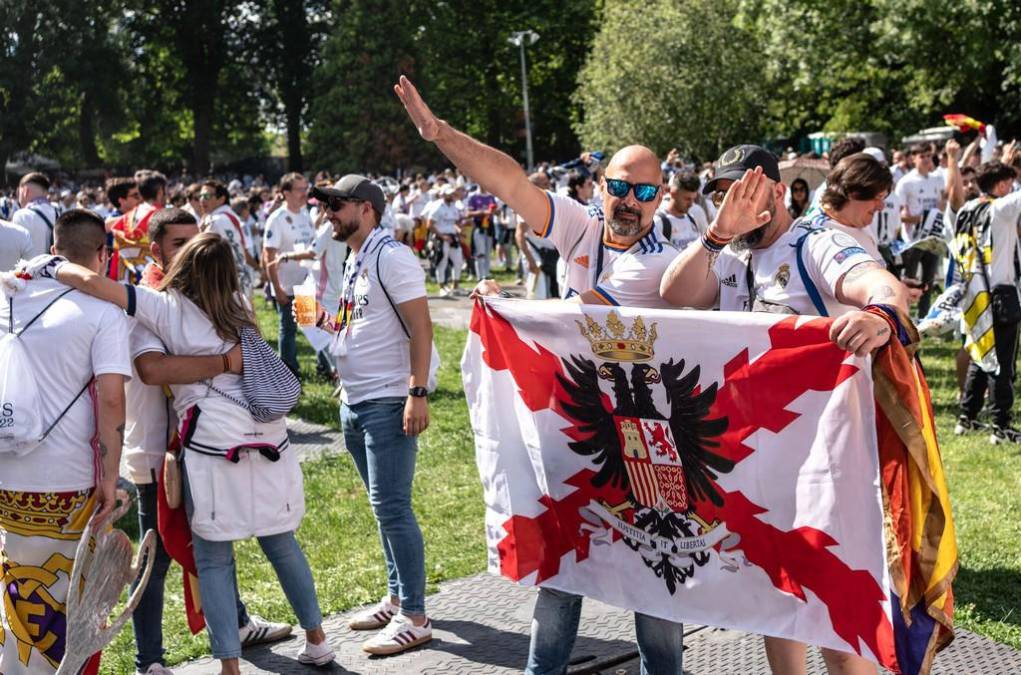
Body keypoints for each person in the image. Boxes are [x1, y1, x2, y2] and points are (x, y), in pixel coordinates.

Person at [394, 75, 684, 674]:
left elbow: (577, 322)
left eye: (645, 191)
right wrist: (439, 133)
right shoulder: (580, 227)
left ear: (661, 198)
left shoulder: (658, 263)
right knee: (564, 564)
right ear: (601, 187)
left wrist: (510, 309)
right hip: (579, 422)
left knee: (656, 578)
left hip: (649, 436)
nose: (630, 202)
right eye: (621, 187)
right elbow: (509, 182)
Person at [35, 232, 335, 674]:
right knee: (282, 542)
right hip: (269, 438)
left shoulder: (166, 306)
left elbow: (101, 288)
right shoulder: (239, 306)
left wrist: (48, 265)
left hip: (211, 443)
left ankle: (230, 666)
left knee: (214, 558)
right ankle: (318, 640)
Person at [660, 146, 909, 675]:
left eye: (747, 191)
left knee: (837, 619)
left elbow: (876, 283)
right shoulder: (728, 255)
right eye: (726, 194)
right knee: (777, 606)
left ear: (777, 190)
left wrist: (881, 315)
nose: (737, 203)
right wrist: (717, 232)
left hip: (825, 470)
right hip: (755, 467)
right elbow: (675, 292)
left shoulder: (815, 243)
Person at [123, 209, 293, 675]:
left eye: (194, 241)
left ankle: (235, 624)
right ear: (156, 250)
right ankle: (149, 659)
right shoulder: (149, 299)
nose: (190, 251)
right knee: (154, 558)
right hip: (157, 450)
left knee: (219, 539)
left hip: (209, 442)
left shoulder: (207, 296)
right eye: (178, 243)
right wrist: (224, 362)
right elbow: (154, 370)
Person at [0, 209, 131, 675]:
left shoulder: (7, 295)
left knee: (16, 591)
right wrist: (111, 479)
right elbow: (112, 399)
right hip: (70, 480)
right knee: (73, 604)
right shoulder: (102, 312)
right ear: (101, 256)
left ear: (54, 251)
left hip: (6, 476)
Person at [309, 175, 434, 656]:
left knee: (393, 508)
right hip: (354, 399)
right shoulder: (355, 258)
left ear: (366, 208)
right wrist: (321, 322)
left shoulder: (392, 256)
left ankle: (415, 615)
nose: (328, 215)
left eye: (336, 206)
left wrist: (416, 392)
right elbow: (354, 322)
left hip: (386, 399)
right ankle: (397, 595)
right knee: (381, 506)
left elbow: (421, 329)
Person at [951, 161, 1021, 444]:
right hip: (1000, 292)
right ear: (1002, 185)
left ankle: (967, 417)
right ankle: (1001, 425)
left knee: (980, 357)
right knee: (1002, 361)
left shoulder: (967, 210)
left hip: (973, 293)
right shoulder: (1001, 209)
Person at [263, 172, 315, 376]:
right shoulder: (277, 219)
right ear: (286, 193)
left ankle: (322, 366)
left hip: (305, 284)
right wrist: (277, 290)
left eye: (305, 188)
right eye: (300, 189)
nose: (305, 193)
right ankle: (288, 371)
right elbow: (269, 256)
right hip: (286, 286)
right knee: (288, 329)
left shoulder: (305, 215)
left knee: (310, 325)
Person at [896, 143, 946, 316]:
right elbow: (899, 214)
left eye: (928, 156)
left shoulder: (936, 180)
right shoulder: (906, 182)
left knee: (929, 280)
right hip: (913, 239)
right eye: (921, 156)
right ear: (913, 158)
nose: (926, 159)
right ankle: (905, 316)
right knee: (910, 280)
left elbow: (941, 205)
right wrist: (921, 219)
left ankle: (924, 316)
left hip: (932, 238)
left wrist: (937, 215)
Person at [199, 179, 257, 299]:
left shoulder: (218, 220)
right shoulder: (227, 216)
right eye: (200, 196)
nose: (202, 200)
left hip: (228, 287)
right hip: (239, 284)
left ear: (221, 199)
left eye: (207, 196)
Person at [423, 185, 464, 296]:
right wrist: (442, 236)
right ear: (443, 194)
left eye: (452, 193)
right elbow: (429, 225)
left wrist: (459, 230)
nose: (451, 195)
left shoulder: (453, 205)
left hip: (453, 237)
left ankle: (455, 286)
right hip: (441, 238)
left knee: (458, 261)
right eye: (449, 193)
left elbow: (453, 223)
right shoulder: (437, 206)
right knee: (442, 262)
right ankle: (442, 287)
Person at [657, 170, 710, 250]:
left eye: (693, 199)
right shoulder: (659, 222)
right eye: (687, 199)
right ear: (673, 193)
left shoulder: (692, 219)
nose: (691, 204)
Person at [12, 172, 59, 257]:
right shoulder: (58, 213)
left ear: (25, 191)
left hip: (27, 269)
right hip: (53, 269)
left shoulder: (22, 215)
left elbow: (13, 253)